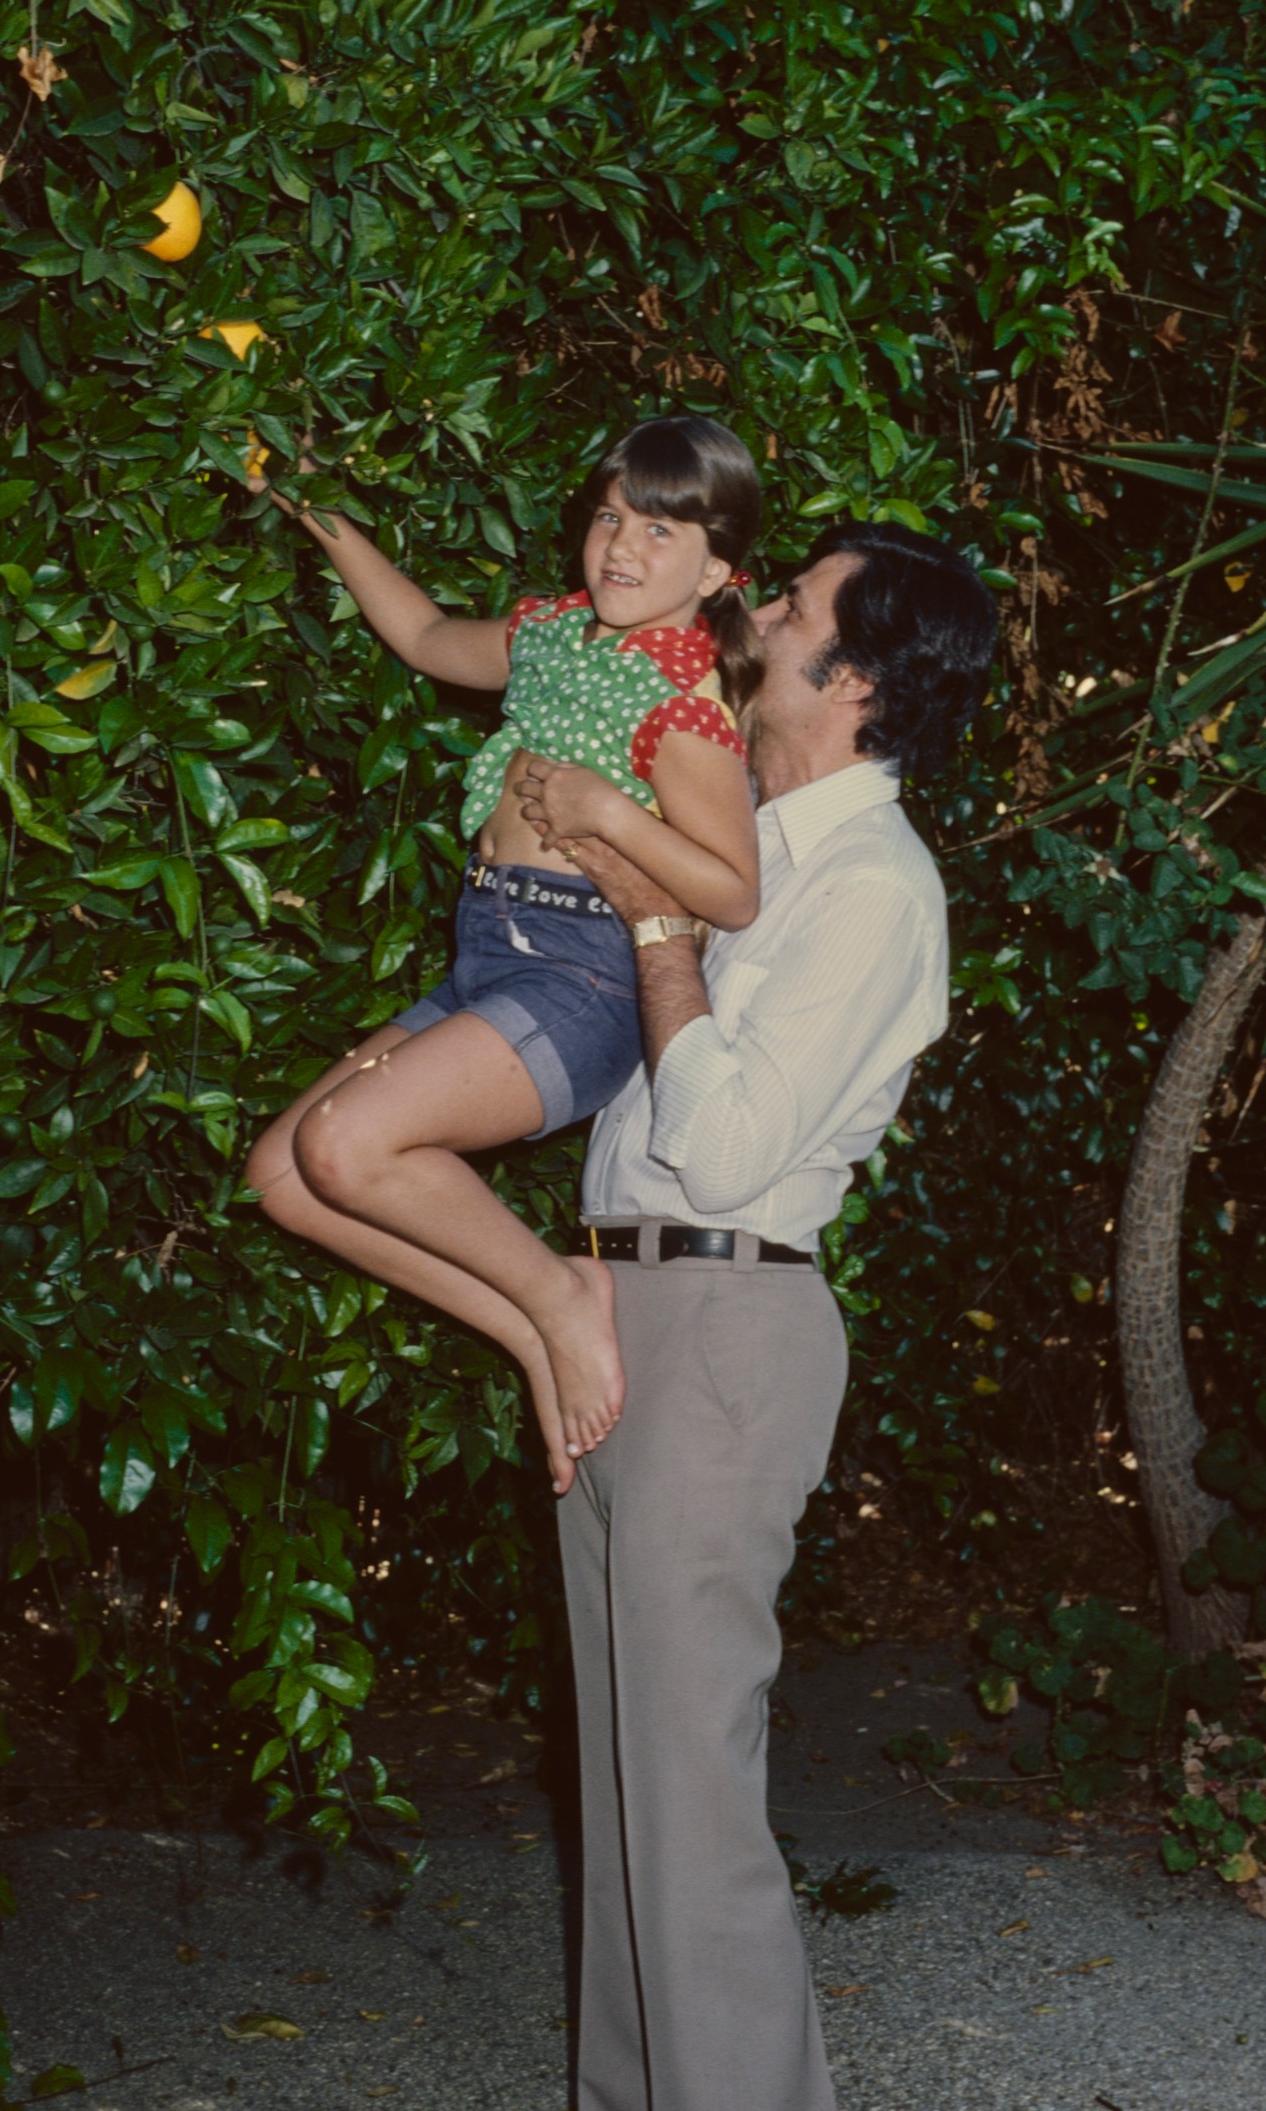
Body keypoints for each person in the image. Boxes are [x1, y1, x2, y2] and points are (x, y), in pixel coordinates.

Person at [513, 520, 998, 2111]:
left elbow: (720, 1144)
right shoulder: (751, 836)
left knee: (691, 1803)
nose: (754, 607)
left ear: (851, 678)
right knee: (619, 1797)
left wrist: (655, 922)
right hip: (620, 1305)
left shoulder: (872, 887)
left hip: (727, 1327)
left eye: (789, 605)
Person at [245, 417, 764, 1482]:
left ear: (718, 569)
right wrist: (311, 505)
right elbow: (429, 636)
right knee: (285, 1179)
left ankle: (559, 1295)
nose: (623, 545)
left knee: (347, 1147)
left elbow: (734, 892)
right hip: (493, 949)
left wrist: (610, 817)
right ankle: (532, 1330)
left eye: (662, 532)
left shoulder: (682, 705)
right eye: (612, 517)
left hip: (581, 977)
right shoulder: (554, 636)